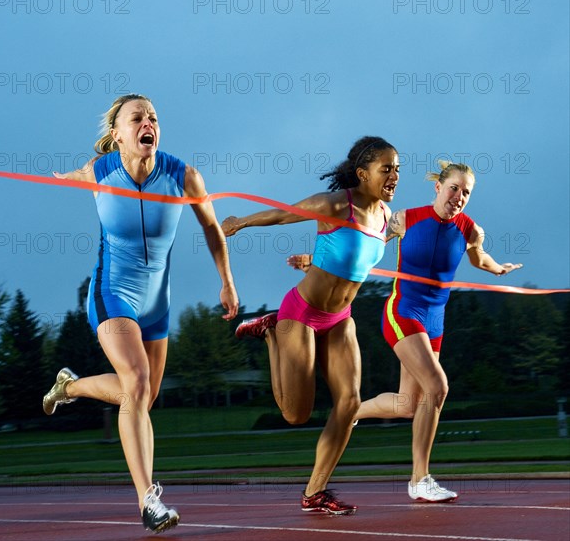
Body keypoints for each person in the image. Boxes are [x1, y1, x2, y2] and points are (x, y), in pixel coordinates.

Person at [42, 94, 239, 533]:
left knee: (143, 397)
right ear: (118, 135)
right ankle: (148, 501)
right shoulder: (101, 171)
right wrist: (63, 178)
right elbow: (79, 174)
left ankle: (70, 385)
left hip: (157, 302)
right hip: (112, 295)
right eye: (138, 118)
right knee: (137, 382)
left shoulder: (183, 175)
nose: (148, 123)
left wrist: (226, 281)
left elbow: (211, 226)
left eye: (153, 117)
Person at [290, 160, 523, 503]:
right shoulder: (404, 219)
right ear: (438, 187)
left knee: (408, 404)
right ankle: (420, 479)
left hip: (435, 321)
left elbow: (479, 258)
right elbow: (363, 245)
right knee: (437, 386)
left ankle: (350, 411)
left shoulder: (471, 230)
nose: (458, 197)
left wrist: (498, 268)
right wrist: (319, 259)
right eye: (454, 188)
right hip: (403, 311)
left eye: (466, 193)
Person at [222, 136, 400, 514]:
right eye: (387, 168)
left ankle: (314, 492)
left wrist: (312, 260)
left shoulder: (387, 218)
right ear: (362, 173)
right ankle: (270, 332)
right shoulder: (336, 204)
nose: (394, 175)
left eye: (397, 168)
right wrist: (240, 223)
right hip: (301, 312)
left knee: (349, 404)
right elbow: (285, 213)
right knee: (294, 414)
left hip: (339, 319)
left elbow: (352, 258)